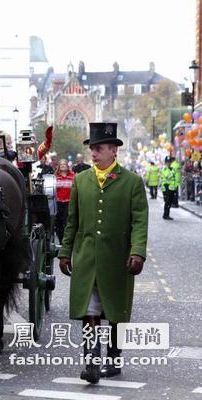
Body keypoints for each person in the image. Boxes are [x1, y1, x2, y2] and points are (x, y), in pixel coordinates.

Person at [58, 122, 148, 384]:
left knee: (116, 311)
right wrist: (65, 252)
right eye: (92, 149)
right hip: (87, 258)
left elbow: (139, 221)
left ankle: (114, 357)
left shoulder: (132, 182)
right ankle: (92, 361)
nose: (94, 154)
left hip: (117, 259)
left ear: (113, 151)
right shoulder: (81, 181)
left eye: (99, 149)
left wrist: (138, 252)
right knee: (90, 310)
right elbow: (72, 222)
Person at [55, 159, 74, 244]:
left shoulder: (73, 176)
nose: (62, 166)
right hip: (58, 202)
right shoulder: (55, 177)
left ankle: (67, 241)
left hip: (69, 202)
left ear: (67, 166)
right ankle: (60, 241)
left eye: (64, 164)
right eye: (61, 164)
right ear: (59, 166)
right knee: (59, 222)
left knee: (67, 222)